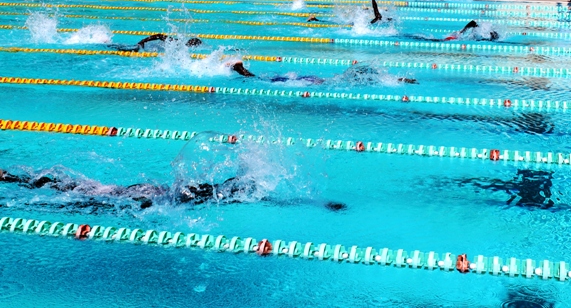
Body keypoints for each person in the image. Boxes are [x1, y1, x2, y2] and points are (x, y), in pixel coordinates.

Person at [0, 168, 346, 212]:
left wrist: (317, 203)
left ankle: (14, 178)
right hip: (148, 193)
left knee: (81, 191)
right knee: (82, 196)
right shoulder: (218, 194)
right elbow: (274, 201)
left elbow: (275, 200)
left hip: (150, 190)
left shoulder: (219, 189)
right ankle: (13, 179)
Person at [228, 61, 417, 84]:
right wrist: (404, 80)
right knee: (269, 81)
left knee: (269, 80)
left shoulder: (344, 78)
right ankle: (241, 71)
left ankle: (242, 71)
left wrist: (404, 79)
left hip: (312, 80)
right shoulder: (345, 81)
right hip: (313, 81)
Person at [107, 33, 202, 52]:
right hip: (146, 47)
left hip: (149, 48)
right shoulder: (177, 43)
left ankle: (108, 45)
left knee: (125, 48)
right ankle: (107, 44)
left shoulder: (181, 49)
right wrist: (143, 41)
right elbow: (160, 36)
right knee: (125, 49)